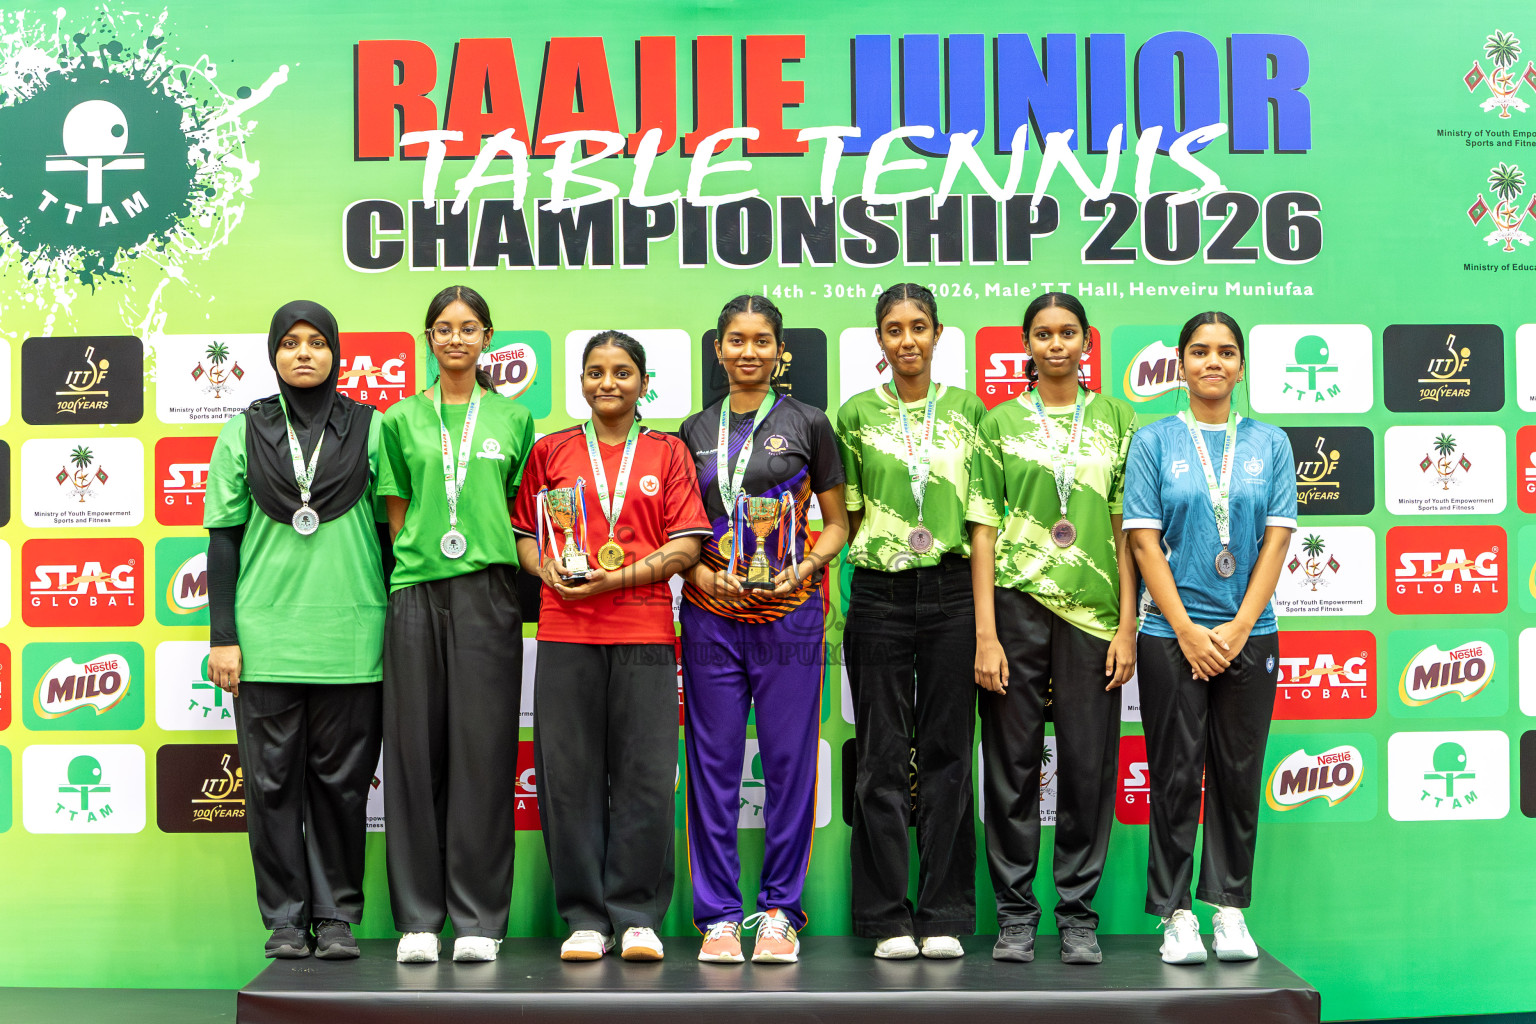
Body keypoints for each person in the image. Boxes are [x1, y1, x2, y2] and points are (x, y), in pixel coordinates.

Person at [513, 331, 711, 963]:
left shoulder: (668, 452)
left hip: (644, 635)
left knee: (645, 778)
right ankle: (584, 917)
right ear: (580, 382)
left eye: (622, 372)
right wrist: (546, 570)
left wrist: (615, 579)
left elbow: (686, 547)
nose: (608, 382)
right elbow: (525, 536)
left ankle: (637, 915)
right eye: (595, 371)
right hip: (566, 632)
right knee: (568, 780)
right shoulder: (551, 451)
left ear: (643, 383)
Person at [204, 300, 387, 961]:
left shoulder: (372, 428)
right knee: (271, 786)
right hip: (266, 641)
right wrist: (223, 636)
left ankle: (335, 917)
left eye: (316, 341)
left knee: (342, 788)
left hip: (353, 640)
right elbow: (223, 542)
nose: (303, 353)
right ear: (273, 354)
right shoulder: (242, 431)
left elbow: (391, 536)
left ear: (336, 352)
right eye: (290, 342)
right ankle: (285, 919)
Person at [967, 292, 1137, 965]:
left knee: (1087, 768)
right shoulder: (1000, 422)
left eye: (1068, 332)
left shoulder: (1119, 419)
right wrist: (986, 635)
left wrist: (1128, 625)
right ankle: (1015, 915)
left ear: (1087, 341)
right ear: (1027, 345)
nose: (1056, 344)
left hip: (1094, 615)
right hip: (1016, 606)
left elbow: (1127, 531)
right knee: (1010, 767)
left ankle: (1077, 917)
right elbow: (983, 531)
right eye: (1043, 334)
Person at [1121, 311, 1296, 965]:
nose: (1212, 362)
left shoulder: (1270, 443)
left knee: (1237, 776)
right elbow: (1143, 542)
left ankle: (1228, 910)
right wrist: (1189, 631)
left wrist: (1240, 626)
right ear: (1181, 364)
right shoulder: (1154, 441)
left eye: (1225, 352)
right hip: (1171, 635)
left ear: (1241, 365)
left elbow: (1276, 538)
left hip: (1251, 632)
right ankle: (1175, 916)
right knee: (1173, 776)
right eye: (1199, 351)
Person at [678, 295, 848, 965]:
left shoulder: (810, 423)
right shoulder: (693, 430)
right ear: (719, 349)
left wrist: (804, 567)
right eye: (736, 340)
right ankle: (719, 917)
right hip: (711, 616)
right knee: (712, 767)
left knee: (788, 764)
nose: (748, 351)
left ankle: (780, 912)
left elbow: (837, 524)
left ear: (780, 352)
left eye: (761, 340)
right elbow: (681, 530)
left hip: (789, 615)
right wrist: (699, 575)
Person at [378, 284, 535, 964]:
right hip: (416, 590)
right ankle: (418, 919)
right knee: (413, 755)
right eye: (443, 328)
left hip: (489, 593)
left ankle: (478, 919)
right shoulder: (399, 419)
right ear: (429, 338)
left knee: (483, 753)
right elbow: (397, 514)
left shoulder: (515, 418)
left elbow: (520, 515)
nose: (455, 339)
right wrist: (425, 558)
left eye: (468, 328)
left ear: (487, 338)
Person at [836, 283, 983, 960]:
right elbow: (849, 516)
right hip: (880, 593)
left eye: (918, 326)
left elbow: (982, 519)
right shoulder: (856, 414)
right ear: (879, 339)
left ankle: (944, 912)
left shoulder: (969, 411)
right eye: (893, 329)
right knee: (881, 757)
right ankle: (886, 917)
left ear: (938, 333)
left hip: (953, 591)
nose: (907, 340)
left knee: (950, 754)